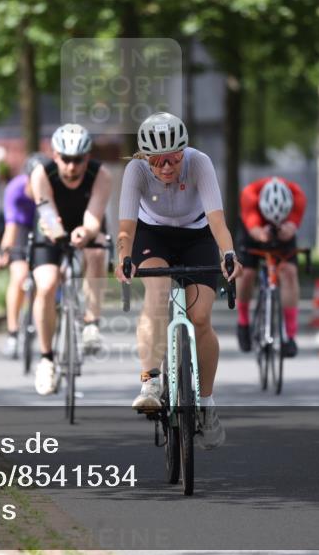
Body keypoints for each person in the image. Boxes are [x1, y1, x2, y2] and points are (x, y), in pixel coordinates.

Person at [116, 112, 241, 450]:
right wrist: (124, 258)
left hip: (196, 235)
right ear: (144, 158)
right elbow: (126, 228)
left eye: (173, 157)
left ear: (184, 151)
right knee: (156, 296)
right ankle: (151, 382)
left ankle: (206, 404)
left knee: (200, 318)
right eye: (157, 160)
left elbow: (217, 219)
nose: (166, 167)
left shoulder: (199, 163)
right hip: (152, 235)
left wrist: (227, 253)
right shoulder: (135, 171)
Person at [29, 124, 112, 396]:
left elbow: (93, 218)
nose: (72, 166)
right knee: (47, 284)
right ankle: (46, 359)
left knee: (98, 253)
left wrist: (86, 232)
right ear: (55, 155)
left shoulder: (101, 175)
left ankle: (91, 323)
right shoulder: (41, 174)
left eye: (78, 159)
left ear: (87, 157)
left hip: (86, 224)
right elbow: (47, 214)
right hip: (50, 228)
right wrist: (58, 232)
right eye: (65, 158)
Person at [235, 176, 306, 357]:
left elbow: (292, 227)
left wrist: (287, 229)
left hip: (284, 228)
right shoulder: (249, 195)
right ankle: (243, 322)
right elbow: (254, 230)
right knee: (247, 273)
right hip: (254, 230)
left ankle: (289, 336)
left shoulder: (298, 196)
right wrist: (262, 235)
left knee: (289, 272)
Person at [0, 154, 48, 358]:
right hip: (22, 229)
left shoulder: (51, 191)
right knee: (19, 276)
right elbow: (12, 227)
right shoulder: (15, 190)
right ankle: (13, 333)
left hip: (43, 226)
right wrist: (3, 253)